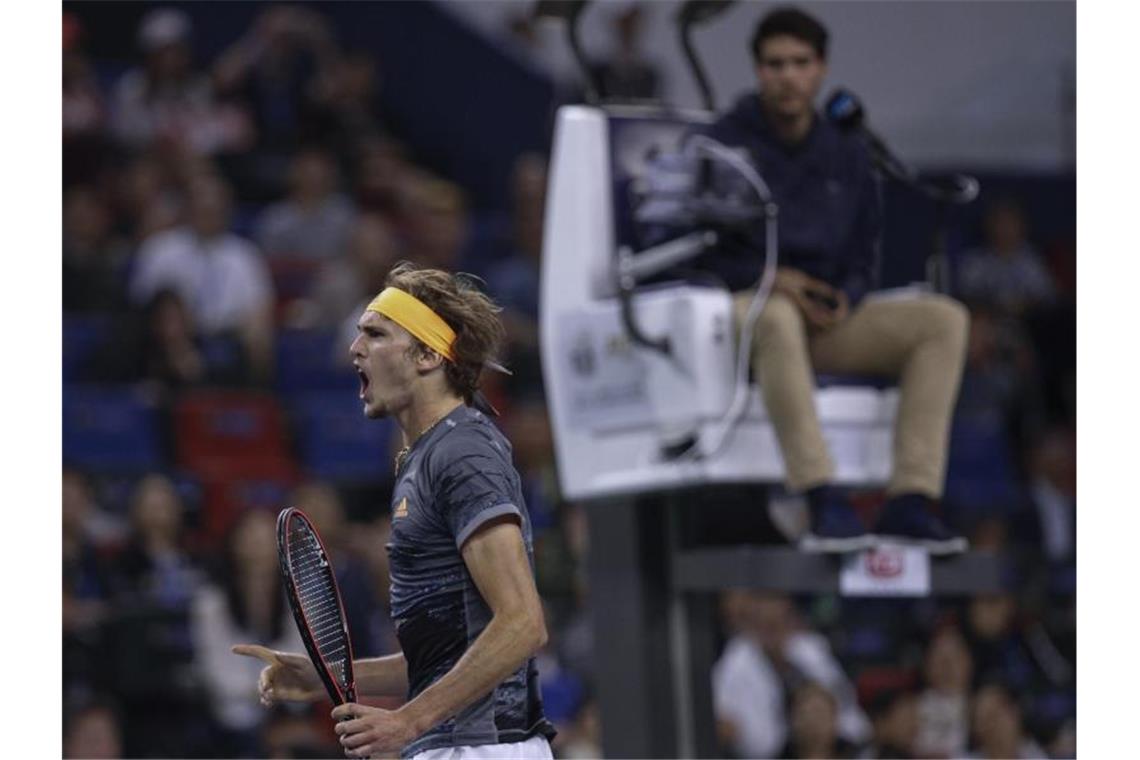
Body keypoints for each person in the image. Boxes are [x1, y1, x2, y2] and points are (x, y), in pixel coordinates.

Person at [234, 261, 557, 759]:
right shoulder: (428, 456)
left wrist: (407, 721)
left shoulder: (462, 453)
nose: (354, 348)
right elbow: (446, 656)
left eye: (376, 334)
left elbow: (522, 623)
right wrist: (328, 677)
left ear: (428, 354)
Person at [701, 7, 970, 553]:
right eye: (775, 64)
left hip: (824, 322)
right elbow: (699, 248)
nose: (787, 75)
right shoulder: (724, 143)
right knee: (775, 315)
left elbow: (865, 250)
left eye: (800, 63)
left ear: (821, 69)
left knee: (943, 320)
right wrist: (773, 279)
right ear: (758, 71)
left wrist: (845, 297)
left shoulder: (848, 149)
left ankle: (910, 501)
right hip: (747, 315)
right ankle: (821, 497)